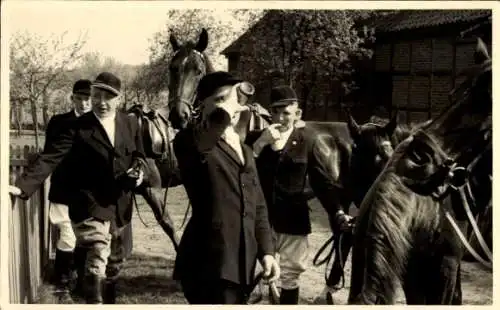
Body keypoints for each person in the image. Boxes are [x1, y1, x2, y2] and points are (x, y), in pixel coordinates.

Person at [9, 72, 148, 304]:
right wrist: (22, 187)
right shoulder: (78, 127)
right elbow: (50, 157)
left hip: (120, 204)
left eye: (108, 97)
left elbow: (139, 154)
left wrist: (139, 171)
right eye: (96, 96)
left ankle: (104, 299)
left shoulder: (130, 122)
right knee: (97, 255)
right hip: (89, 204)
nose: (101, 102)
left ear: (119, 99)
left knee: (113, 264)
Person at [173, 71, 280, 304]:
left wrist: (267, 252)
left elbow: (258, 205)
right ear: (202, 105)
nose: (230, 107)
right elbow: (204, 143)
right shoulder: (188, 141)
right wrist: (224, 111)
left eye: (233, 99)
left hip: (243, 263)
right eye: (220, 100)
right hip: (208, 263)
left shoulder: (245, 150)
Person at [245, 85, 352, 304]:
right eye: (276, 111)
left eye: (287, 112)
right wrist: (260, 145)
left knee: (289, 278)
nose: (281, 117)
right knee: (247, 273)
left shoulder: (308, 142)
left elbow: (322, 182)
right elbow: (240, 172)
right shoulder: (253, 140)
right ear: (269, 112)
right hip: (257, 219)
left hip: (293, 220)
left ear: (297, 114)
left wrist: (338, 211)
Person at [24, 79, 92, 302]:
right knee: (68, 234)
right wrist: (25, 185)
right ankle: (61, 282)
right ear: (72, 98)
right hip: (64, 188)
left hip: (90, 193)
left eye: (88, 99)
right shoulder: (59, 122)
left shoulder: (100, 124)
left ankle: (82, 279)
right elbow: (49, 155)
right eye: (80, 98)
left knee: (87, 237)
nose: (84, 103)